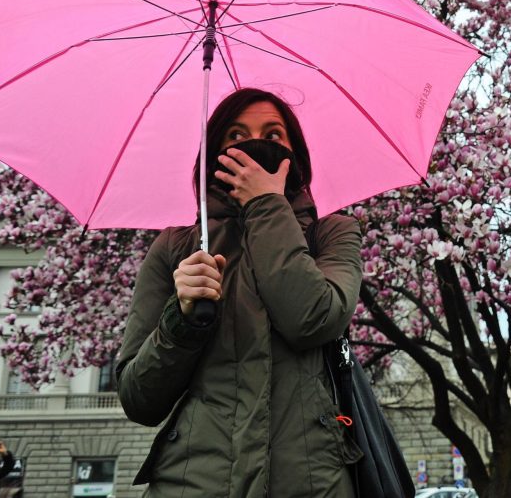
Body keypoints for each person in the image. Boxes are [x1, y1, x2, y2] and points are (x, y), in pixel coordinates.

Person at [116, 88, 364, 497]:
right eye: (236, 136)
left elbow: (312, 319)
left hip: (310, 481)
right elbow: (139, 400)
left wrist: (265, 204)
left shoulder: (332, 235)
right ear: (214, 154)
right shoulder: (176, 249)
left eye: (273, 135)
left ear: (294, 157)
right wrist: (180, 320)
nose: (253, 146)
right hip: (193, 482)